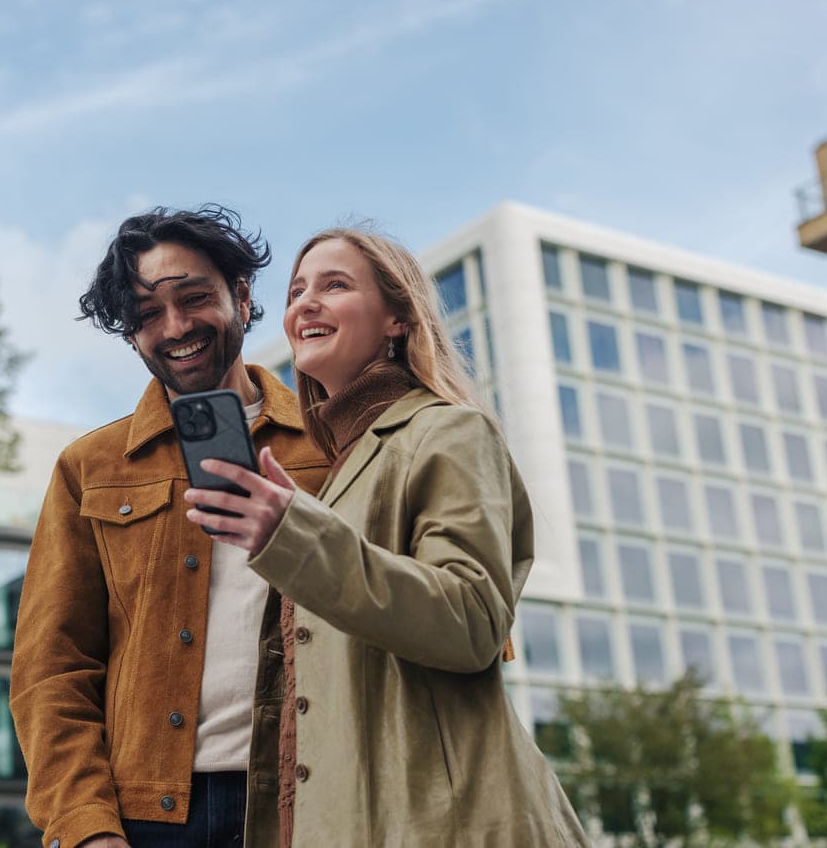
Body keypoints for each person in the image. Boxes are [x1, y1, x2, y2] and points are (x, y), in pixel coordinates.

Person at [184, 228, 589, 847]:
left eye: (334, 285)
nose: (305, 304)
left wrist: (293, 535)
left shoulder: (450, 431)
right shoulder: (338, 470)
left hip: (445, 826)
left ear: (397, 319)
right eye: (296, 292)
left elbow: (471, 619)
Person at [10, 205, 328, 848]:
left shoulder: (333, 441)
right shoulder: (90, 467)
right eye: (147, 314)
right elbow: (53, 669)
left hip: (314, 799)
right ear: (131, 335)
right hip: (149, 820)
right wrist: (86, 828)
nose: (176, 327)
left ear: (241, 296)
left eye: (194, 298)